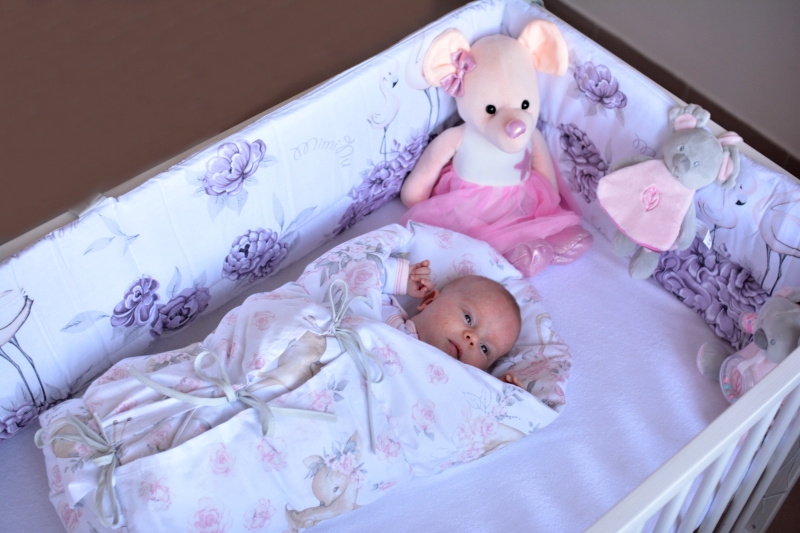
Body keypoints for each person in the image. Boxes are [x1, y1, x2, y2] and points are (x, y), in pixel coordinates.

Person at [384, 259, 523, 386]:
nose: (473, 339)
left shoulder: (459, 384)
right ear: (429, 301)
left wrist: (500, 393)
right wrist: (399, 277)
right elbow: (371, 280)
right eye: (468, 319)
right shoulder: (387, 317)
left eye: (484, 349)